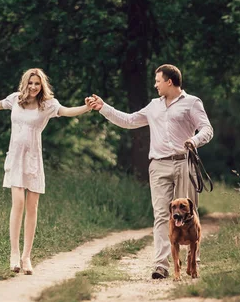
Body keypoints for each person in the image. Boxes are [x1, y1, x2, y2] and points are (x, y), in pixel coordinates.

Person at [86, 64, 213, 279]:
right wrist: (103, 107)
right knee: (162, 214)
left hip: (184, 162)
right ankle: (161, 265)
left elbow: (207, 129)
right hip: (159, 165)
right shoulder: (154, 106)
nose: (155, 85)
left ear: (169, 82)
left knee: (189, 213)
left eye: (158, 81)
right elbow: (129, 120)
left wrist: (194, 140)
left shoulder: (192, 103)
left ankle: (193, 261)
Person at [0, 68, 91, 275]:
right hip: (15, 158)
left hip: (33, 159)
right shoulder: (15, 99)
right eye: (31, 83)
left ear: (42, 85)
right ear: (26, 84)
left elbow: (68, 111)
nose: (33, 87)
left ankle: (26, 257)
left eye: (37, 84)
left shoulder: (48, 105)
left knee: (32, 208)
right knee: (19, 203)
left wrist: (86, 108)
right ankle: (14, 254)